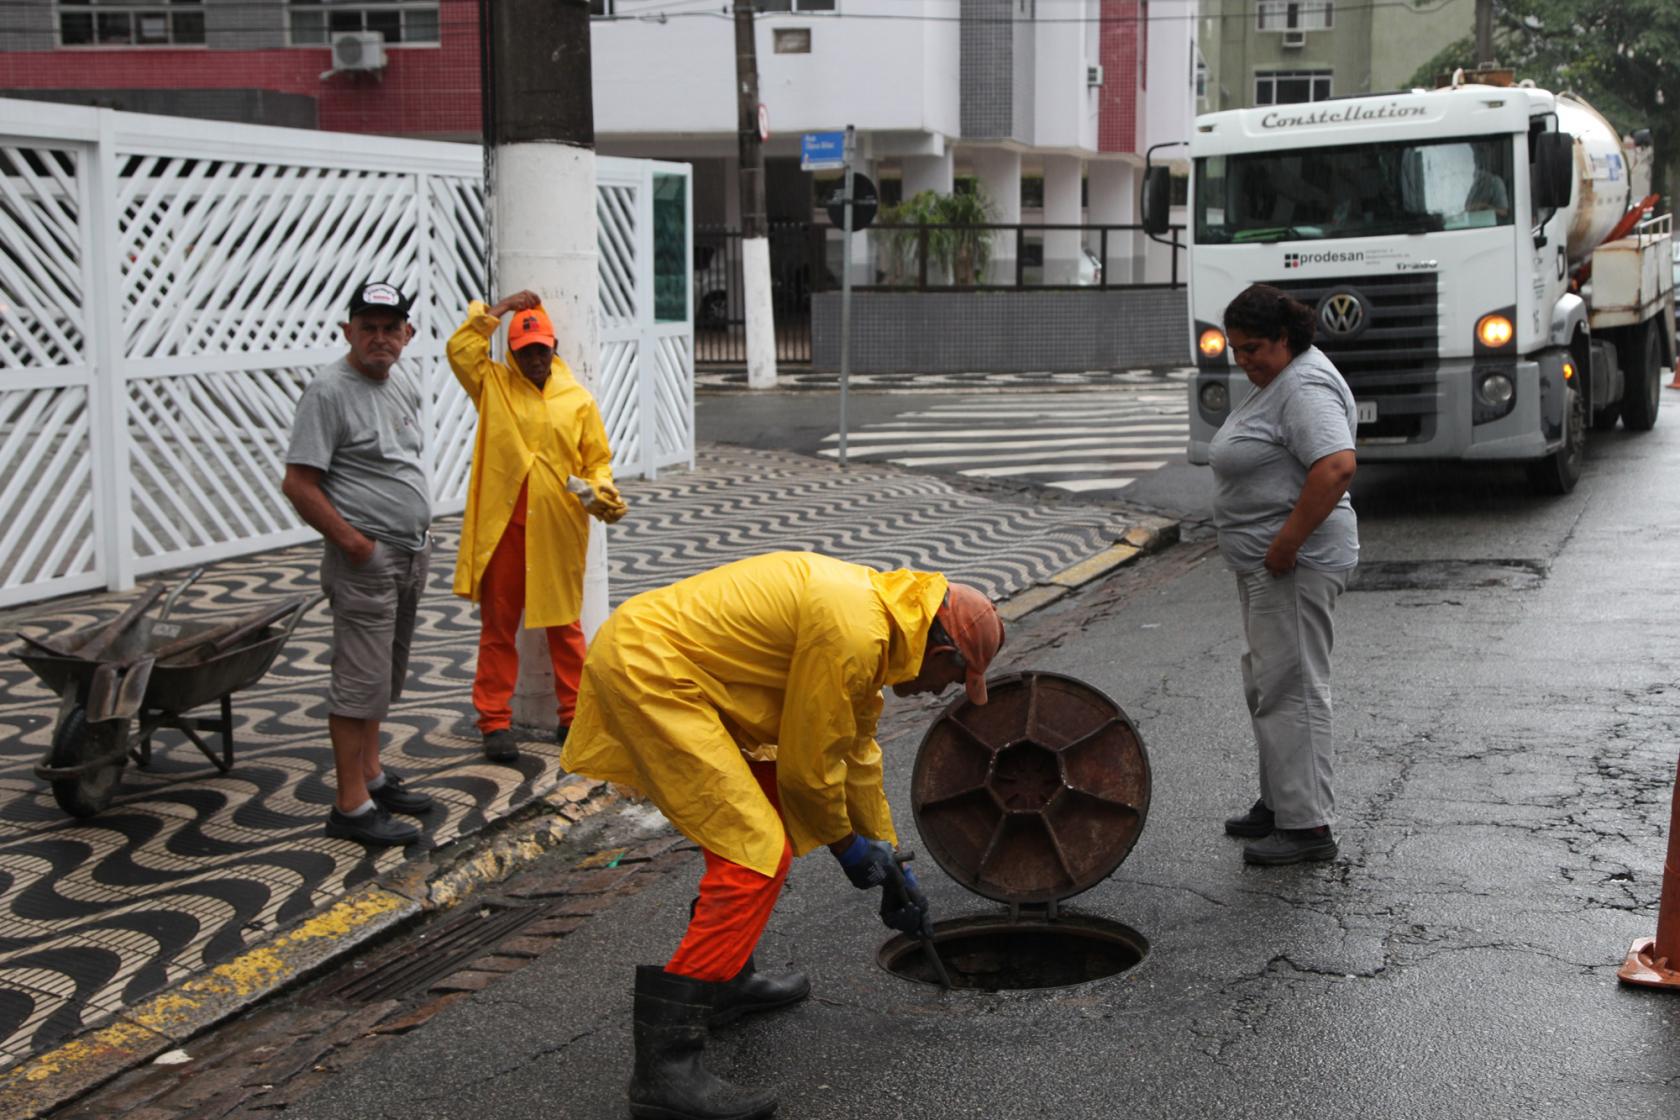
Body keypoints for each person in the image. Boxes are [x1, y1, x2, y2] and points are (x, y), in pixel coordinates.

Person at [559, 552, 1005, 1120]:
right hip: (653, 672)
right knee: (754, 856)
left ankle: (724, 980)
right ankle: (664, 1071)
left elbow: (856, 755)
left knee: (759, 828)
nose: (941, 692)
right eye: (952, 680)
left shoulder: (882, 626)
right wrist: (851, 852)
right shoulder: (855, 632)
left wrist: (889, 857)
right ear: (940, 652)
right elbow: (808, 771)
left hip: (677, 669)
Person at [282, 280, 435, 847]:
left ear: (407, 335)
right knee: (358, 681)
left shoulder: (399, 384)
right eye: (367, 327)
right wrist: (354, 544)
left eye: (390, 328)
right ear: (347, 330)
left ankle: (371, 775)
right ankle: (349, 806)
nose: (379, 339)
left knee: (382, 678)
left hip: (408, 552)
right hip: (367, 558)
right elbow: (299, 484)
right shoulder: (329, 391)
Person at [1210, 284, 1358, 866]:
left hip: (1294, 564)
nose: (1244, 361)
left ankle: (1308, 826)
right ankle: (1280, 803)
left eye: (1254, 349)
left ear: (1285, 339)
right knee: (1267, 684)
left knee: (1292, 689)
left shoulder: (1304, 385)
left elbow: (1337, 465)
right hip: (1267, 564)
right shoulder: (1278, 382)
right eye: (1237, 351)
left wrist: (1285, 543)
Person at [446, 290, 624, 763]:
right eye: (525, 352)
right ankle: (494, 720)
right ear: (512, 352)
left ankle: (574, 716)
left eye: (541, 349)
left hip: (557, 528)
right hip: (503, 528)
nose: (535, 359)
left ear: (554, 346)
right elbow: (460, 349)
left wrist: (601, 489)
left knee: (565, 625)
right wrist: (499, 310)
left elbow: (597, 460)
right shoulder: (494, 386)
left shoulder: (578, 401)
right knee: (498, 627)